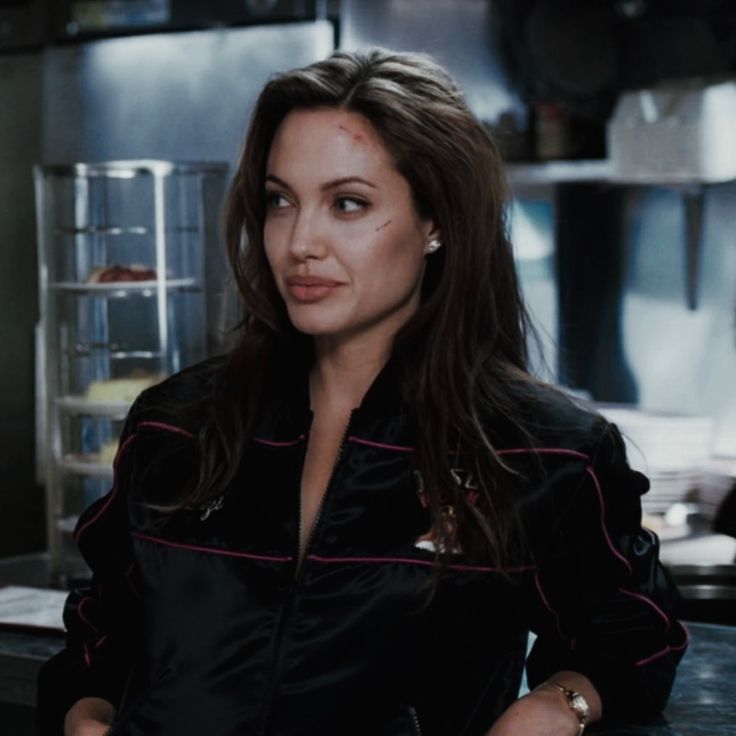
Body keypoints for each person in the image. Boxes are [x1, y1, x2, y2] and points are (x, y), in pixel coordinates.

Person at [38, 48, 688, 736]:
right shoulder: (175, 426)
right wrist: (87, 715)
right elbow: (100, 636)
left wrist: (561, 703)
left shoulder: (541, 452)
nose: (299, 243)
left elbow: (635, 640)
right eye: (280, 200)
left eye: (348, 204)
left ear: (435, 220)